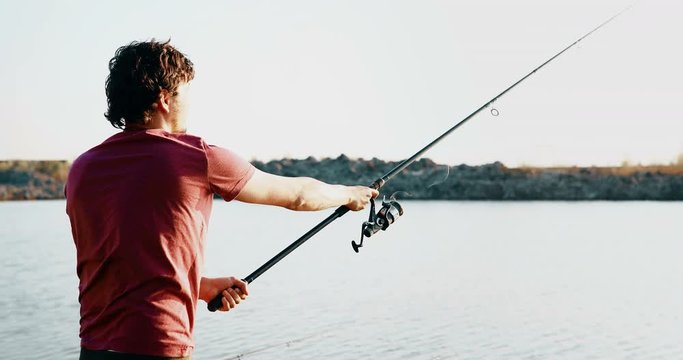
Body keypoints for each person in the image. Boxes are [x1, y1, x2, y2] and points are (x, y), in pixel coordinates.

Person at [66, 39, 378, 360]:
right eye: (186, 93)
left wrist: (200, 287)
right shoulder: (196, 158)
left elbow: (122, 262)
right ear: (164, 99)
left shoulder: (82, 169)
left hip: (94, 349)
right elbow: (297, 196)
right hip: (159, 346)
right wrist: (350, 195)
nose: (190, 103)